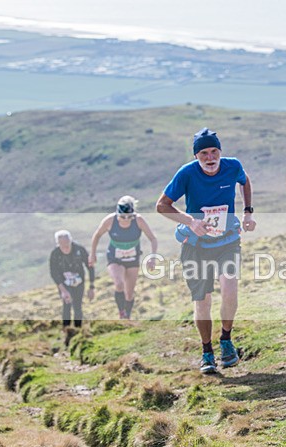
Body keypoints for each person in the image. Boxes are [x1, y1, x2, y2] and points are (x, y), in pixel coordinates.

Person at [156, 128, 256, 374]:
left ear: (220, 151)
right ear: (196, 155)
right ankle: (207, 351)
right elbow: (161, 206)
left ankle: (226, 339)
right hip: (196, 246)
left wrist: (248, 211)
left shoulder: (232, 166)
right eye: (203, 153)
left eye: (214, 151)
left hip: (227, 242)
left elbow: (245, 181)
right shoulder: (187, 173)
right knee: (203, 301)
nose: (210, 157)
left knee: (229, 288)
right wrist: (191, 221)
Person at [89, 196, 158, 319]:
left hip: (133, 259)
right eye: (122, 217)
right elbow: (97, 235)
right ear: (117, 214)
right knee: (119, 284)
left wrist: (152, 258)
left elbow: (153, 239)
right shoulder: (110, 221)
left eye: (129, 217)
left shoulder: (139, 220)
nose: (126, 220)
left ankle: (128, 316)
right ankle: (122, 313)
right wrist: (92, 254)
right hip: (115, 258)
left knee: (129, 293)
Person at [49, 230, 94, 330]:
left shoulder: (79, 249)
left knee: (77, 306)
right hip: (64, 283)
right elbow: (54, 273)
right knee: (67, 304)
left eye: (67, 243)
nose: (65, 247)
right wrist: (63, 290)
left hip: (79, 281)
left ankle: (78, 329)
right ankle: (66, 329)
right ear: (58, 244)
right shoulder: (55, 254)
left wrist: (91, 286)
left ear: (71, 241)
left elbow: (90, 266)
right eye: (62, 244)